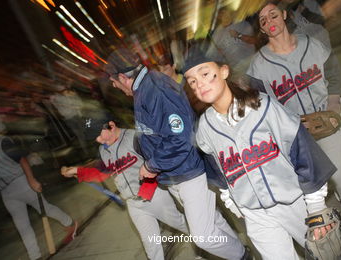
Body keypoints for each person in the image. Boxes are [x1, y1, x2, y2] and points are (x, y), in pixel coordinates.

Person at [183, 47, 337, 259]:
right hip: (256, 215)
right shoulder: (205, 129)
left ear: (224, 71)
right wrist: (234, 204)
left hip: (294, 202)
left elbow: (304, 153)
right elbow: (220, 176)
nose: (199, 83)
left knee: (328, 253)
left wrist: (316, 206)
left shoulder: (263, 106)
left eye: (205, 73)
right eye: (192, 81)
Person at [105, 48, 249, 260]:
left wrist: (151, 165)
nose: (115, 87)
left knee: (203, 236)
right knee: (213, 223)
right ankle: (239, 254)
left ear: (121, 78)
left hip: (188, 171)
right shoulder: (145, 89)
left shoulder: (155, 89)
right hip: (176, 173)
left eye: (114, 83)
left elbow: (180, 138)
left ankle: (242, 256)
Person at [246, 0, 341, 234]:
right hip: (296, 130)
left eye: (273, 15)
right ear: (261, 29)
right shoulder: (259, 65)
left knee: (340, 173)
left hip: (326, 117)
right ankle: (322, 227)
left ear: (283, 15)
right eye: (263, 20)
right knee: (309, 184)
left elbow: (333, 74)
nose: (269, 22)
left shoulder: (311, 44)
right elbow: (263, 104)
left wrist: (334, 106)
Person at [60, 117, 190, 260]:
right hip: (133, 203)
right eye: (94, 138)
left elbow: (158, 160)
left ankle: (206, 246)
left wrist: (149, 187)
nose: (98, 140)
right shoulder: (103, 150)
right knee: (150, 243)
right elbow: (101, 172)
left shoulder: (134, 137)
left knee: (182, 224)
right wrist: (77, 171)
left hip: (154, 196)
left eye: (99, 134)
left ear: (111, 125)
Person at [0, 114, 77, 260]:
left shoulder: (1, 142)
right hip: (5, 192)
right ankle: (34, 256)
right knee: (22, 226)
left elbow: (22, 159)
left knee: (45, 208)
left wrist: (31, 180)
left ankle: (70, 223)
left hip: (21, 182)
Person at [207, 7, 257, 77]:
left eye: (227, 13)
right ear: (218, 16)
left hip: (251, 62)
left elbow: (254, 40)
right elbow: (211, 55)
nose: (225, 16)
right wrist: (219, 53)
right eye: (222, 14)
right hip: (237, 69)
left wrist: (239, 35)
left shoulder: (242, 24)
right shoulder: (217, 33)